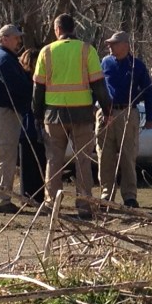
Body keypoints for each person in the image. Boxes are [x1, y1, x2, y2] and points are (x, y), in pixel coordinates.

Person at [32, 14, 111, 219]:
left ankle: (52, 205)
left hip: (53, 115)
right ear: (73, 28)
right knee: (83, 161)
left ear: (57, 30)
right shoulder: (87, 50)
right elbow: (99, 86)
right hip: (82, 114)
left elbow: (38, 89)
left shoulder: (46, 52)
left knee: (54, 161)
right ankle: (84, 205)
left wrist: (37, 115)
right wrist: (107, 110)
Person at [96, 31, 152, 208]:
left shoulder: (137, 65)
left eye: (113, 43)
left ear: (125, 45)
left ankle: (129, 196)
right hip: (105, 113)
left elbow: (149, 92)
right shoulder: (105, 62)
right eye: (109, 44)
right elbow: (96, 87)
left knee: (128, 155)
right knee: (104, 156)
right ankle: (106, 195)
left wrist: (150, 117)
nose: (110, 47)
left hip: (128, 112)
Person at [0, 24, 32, 213]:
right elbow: (16, 85)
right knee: (6, 154)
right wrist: (30, 90)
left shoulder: (4, 57)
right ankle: (2, 199)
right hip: (2, 110)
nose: (19, 41)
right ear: (3, 39)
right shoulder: (3, 58)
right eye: (15, 38)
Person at [18, 48, 46, 205]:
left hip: (39, 127)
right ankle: (27, 196)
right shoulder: (24, 80)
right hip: (27, 126)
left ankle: (39, 195)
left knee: (41, 161)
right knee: (27, 163)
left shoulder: (41, 79)